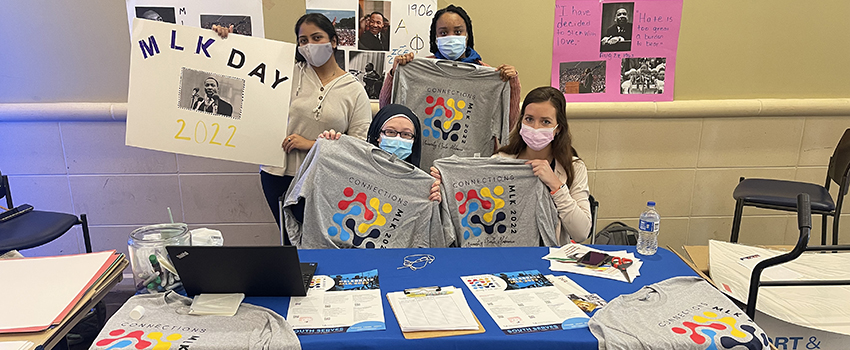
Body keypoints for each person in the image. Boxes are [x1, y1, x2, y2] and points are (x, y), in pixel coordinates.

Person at [213, 14, 372, 241]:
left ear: (334, 41)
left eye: (317, 37)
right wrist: (225, 42)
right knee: (288, 240)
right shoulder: (286, 72)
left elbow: (358, 147)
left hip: (324, 180)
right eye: (303, 40)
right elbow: (237, 74)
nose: (309, 45)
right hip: (278, 174)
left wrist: (311, 145)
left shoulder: (354, 90)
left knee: (321, 241)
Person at [430, 86, 591, 244]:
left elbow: (581, 233)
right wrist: (446, 181)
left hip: (550, 259)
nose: (535, 127)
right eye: (529, 119)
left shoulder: (574, 168)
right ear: (521, 121)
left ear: (558, 129)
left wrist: (556, 186)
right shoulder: (500, 161)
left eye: (545, 122)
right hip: (506, 255)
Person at [379, 4, 521, 129]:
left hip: (471, 157)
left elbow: (506, 125)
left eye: (458, 32)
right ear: (435, 37)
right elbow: (386, 113)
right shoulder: (418, 69)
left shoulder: (489, 75)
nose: (451, 37)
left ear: (467, 35)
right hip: (425, 156)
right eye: (443, 33)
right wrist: (395, 73)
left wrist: (512, 83)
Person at [319, 104, 441, 202]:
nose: (398, 138)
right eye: (390, 132)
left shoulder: (421, 186)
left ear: (414, 140)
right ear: (377, 135)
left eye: (406, 134)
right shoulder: (351, 165)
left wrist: (434, 199)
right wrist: (329, 148)